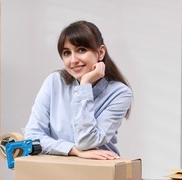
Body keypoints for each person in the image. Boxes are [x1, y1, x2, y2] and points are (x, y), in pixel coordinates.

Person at [24, 20, 133, 160]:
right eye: (66, 53)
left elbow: (87, 142)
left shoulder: (120, 93)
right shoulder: (54, 82)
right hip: (57, 167)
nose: (73, 60)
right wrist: (73, 150)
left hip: (99, 171)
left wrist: (84, 86)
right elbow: (32, 137)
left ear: (100, 53)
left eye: (81, 50)